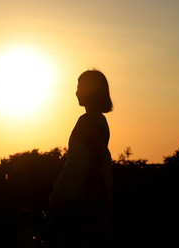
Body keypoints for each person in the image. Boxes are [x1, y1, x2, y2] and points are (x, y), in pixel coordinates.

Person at [49, 69, 113, 247]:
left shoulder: (86, 122)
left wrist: (58, 197)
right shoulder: (101, 122)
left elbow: (77, 166)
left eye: (80, 87)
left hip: (81, 203)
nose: (76, 91)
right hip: (96, 199)